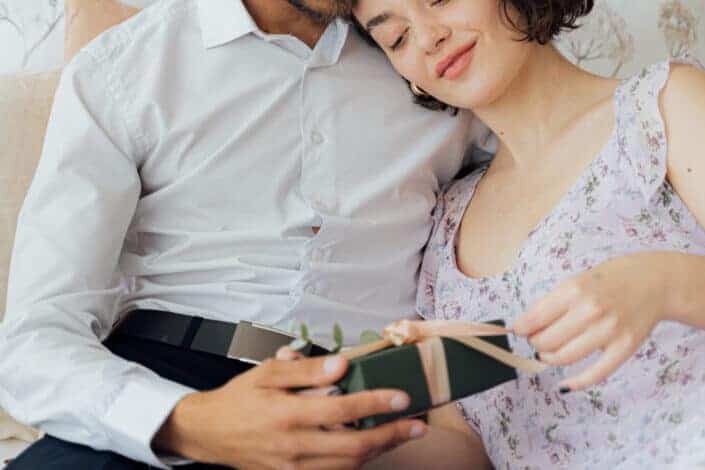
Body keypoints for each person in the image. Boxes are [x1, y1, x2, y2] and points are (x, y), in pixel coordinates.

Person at [0, 0, 496, 469]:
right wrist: (189, 422)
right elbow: (36, 339)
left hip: (366, 407)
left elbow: (556, 167)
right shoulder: (123, 69)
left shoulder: (438, 51)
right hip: (168, 386)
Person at [349, 0, 705, 468]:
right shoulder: (444, 230)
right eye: (396, 37)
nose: (428, 37)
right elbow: (464, 449)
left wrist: (665, 283)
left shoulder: (661, 108)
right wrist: (347, 435)